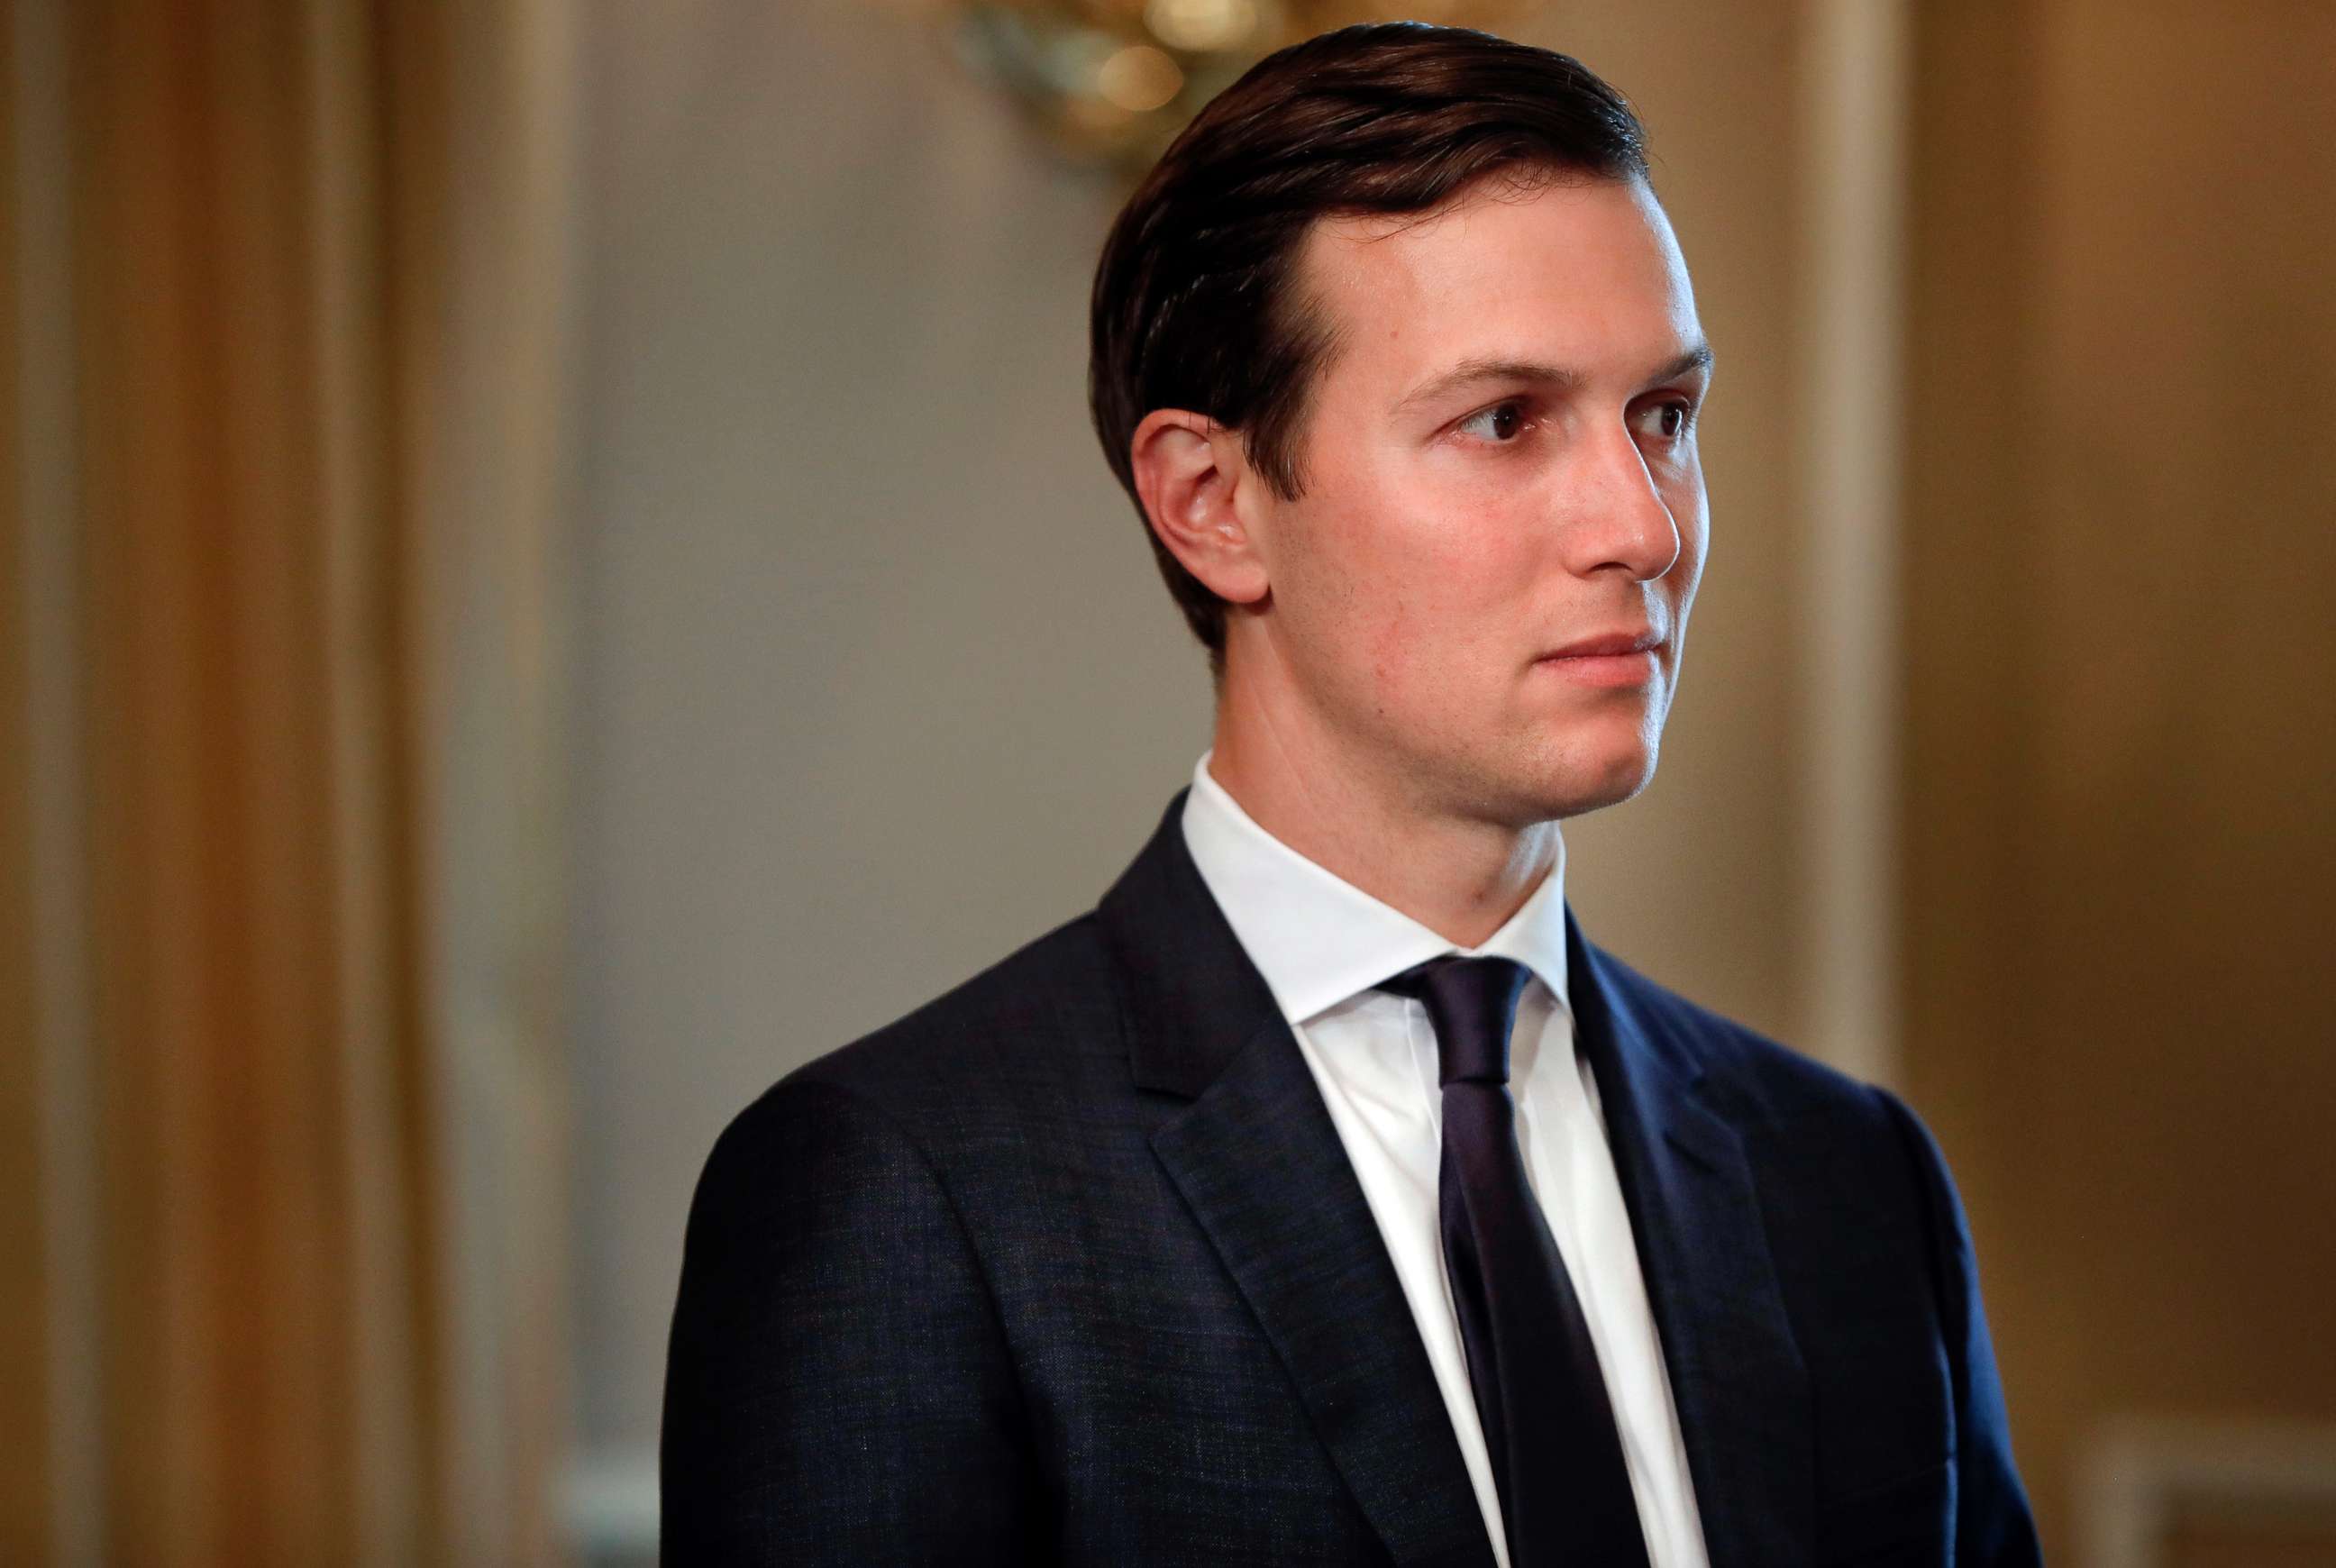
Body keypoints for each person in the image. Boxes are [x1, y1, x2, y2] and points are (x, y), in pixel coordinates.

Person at [660, 22, 2040, 1567]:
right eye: (1505, 421)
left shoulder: (1848, 1179)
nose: (1642, 527)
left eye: (1664, 417)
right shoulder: (904, 1195)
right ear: (1214, 505)